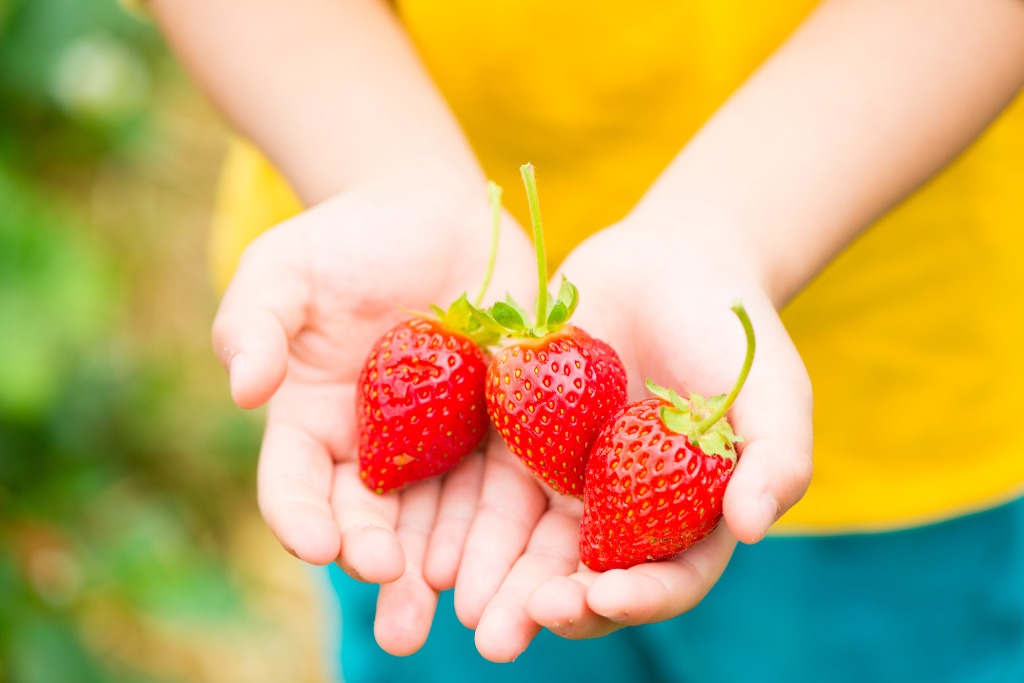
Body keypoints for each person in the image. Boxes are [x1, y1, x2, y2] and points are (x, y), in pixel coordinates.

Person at [148, 0, 1024, 680]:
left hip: (911, 380)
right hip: (373, 223)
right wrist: (387, 175)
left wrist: (728, 229)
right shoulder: (419, 349)